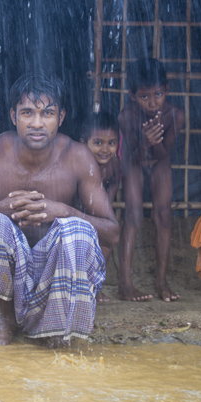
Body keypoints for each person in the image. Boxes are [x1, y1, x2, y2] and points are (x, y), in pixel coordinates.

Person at [0, 74, 119, 347]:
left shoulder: (77, 156)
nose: (37, 123)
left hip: (58, 278)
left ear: (60, 118)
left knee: (78, 230)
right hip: (7, 280)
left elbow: (112, 234)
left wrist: (64, 211)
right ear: (13, 116)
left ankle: (57, 329)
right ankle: (6, 319)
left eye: (47, 113)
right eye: (28, 113)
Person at [117, 58, 184, 302]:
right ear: (132, 95)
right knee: (133, 214)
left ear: (166, 89)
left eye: (157, 94)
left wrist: (153, 144)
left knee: (163, 215)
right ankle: (124, 283)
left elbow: (163, 153)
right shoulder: (126, 116)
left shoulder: (175, 116)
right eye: (144, 96)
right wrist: (145, 142)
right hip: (134, 160)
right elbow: (134, 156)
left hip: (160, 160)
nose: (152, 102)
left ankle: (161, 281)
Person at [80, 111, 121, 302]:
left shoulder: (114, 164)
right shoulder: (79, 163)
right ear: (83, 143)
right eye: (98, 143)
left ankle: (94, 286)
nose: (105, 149)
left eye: (111, 143)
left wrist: (108, 202)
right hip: (78, 213)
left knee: (105, 244)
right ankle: (78, 285)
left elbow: (114, 182)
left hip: (97, 214)